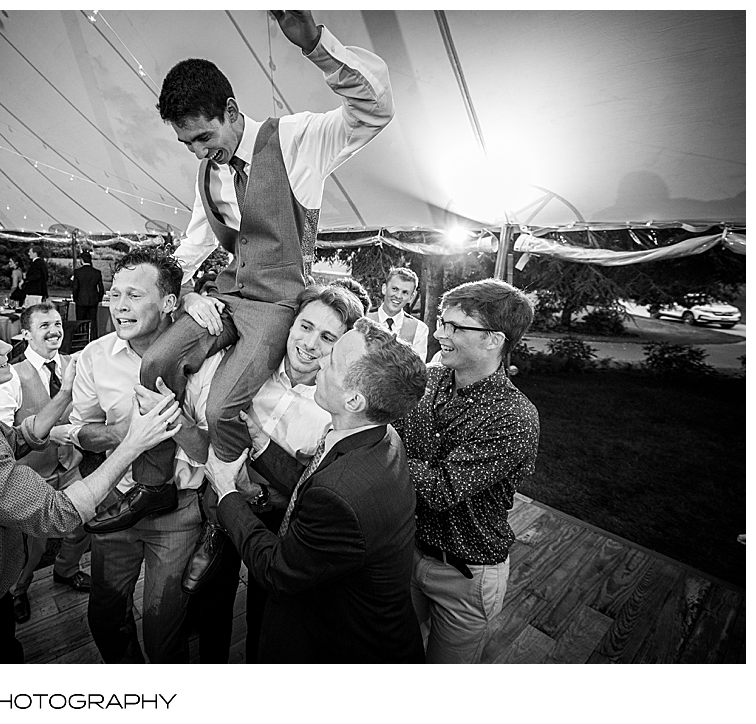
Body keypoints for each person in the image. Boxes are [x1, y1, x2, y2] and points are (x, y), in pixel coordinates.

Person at [100, 9, 393, 534]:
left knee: (220, 409)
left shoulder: (296, 140)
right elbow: (190, 250)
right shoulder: (207, 173)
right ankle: (155, 479)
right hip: (226, 297)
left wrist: (317, 44)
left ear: (232, 110)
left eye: (204, 137)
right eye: (187, 142)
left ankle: (227, 498)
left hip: (277, 305)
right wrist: (186, 295)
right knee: (154, 365)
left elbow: (374, 110)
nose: (198, 151)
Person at [0, 303, 181, 663]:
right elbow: (56, 514)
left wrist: (64, 395)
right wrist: (133, 442)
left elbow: (13, 441)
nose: (4, 347)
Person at [207, 317, 427, 662]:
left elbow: (277, 569)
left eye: (334, 359)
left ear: (354, 400)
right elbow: (316, 474)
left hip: (343, 648)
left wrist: (226, 493)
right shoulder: (375, 434)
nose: (321, 359)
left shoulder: (341, 496)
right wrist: (264, 444)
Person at [184, 283, 364, 663]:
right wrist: (193, 298)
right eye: (305, 326)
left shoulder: (334, 410)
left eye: (328, 337)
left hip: (277, 525)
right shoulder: (250, 366)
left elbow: (312, 483)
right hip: (218, 510)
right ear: (290, 323)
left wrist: (260, 487)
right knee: (210, 608)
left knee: (265, 622)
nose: (311, 343)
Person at [59, 247, 206, 663]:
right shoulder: (96, 356)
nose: (120, 306)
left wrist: (174, 423)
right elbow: (80, 431)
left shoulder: (203, 358)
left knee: (165, 631)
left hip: (177, 513)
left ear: (169, 302)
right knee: (106, 614)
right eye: (115, 294)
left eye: (135, 295)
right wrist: (124, 435)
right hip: (115, 503)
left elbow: (214, 450)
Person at [394, 278, 539, 664]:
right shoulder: (433, 378)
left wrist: (376, 451)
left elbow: (441, 489)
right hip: (410, 552)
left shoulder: (514, 417)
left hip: (466, 574)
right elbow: (395, 428)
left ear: (494, 340)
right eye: (442, 323)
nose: (441, 334)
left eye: (455, 327)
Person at [0, 302, 92, 624]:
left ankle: (67, 569)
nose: (54, 330)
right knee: (33, 545)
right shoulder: (11, 378)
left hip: (70, 466)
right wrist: (48, 431)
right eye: (44, 325)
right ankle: (18, 590)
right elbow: (0, 437)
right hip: (33, 476)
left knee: (83, 526)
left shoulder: (74, 366)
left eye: (58, 323)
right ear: (26, 334)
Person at [367, 266, 429, 361]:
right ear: (384, 288)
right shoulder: (365, 321)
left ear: (411, 297)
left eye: (405, 292)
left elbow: (418, 370)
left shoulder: (419, 329)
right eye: (395, 289)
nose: (398, 296)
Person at [72, 249, 106, 340]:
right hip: (93, 301)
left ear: (82, 260)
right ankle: (93, 338)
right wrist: (98, 298)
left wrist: (75, 298)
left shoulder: (78, 272)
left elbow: (75, 288)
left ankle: (80, 339)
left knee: (80, 321)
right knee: (93, 321)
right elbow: (101, 289)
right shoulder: (96, 272)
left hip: (80, 301)